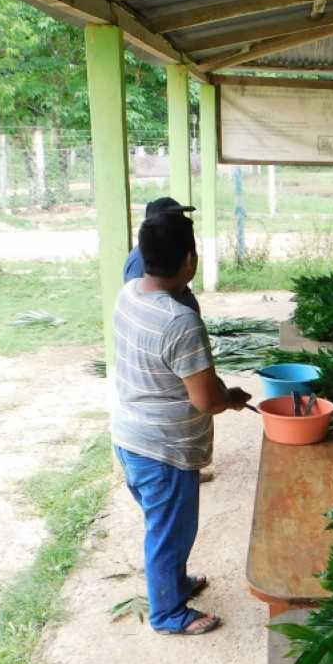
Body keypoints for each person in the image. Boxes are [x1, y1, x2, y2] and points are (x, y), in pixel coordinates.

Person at [111, 210, 252, 636]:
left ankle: (174, 584)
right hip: (163, 450)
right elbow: (206, 399)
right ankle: (168, 613)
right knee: (168, 533)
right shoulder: (179, 321)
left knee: (165, 528)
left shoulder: (130, 292)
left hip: (130, 437)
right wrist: (230, 398)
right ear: (190, 258)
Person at [124, 196, 201, 315]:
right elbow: (146, 308)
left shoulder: (167, 253)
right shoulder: (140, 261)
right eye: (176, 218)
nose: (183, 222)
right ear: (157, 223)